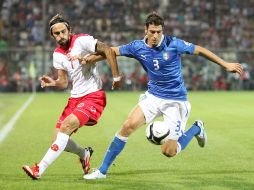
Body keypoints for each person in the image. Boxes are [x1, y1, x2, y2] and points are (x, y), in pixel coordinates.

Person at [82, 12, 243, 179]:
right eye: (152, 31)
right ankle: (102, 171)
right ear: (146, 30)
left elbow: (200, 50)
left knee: (169, 151)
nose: (155, 35)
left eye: (158, 31)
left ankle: (196, 128)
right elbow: (110, 51)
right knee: (127, 126)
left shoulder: (173, 44)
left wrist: (225, 64)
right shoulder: (137, 47)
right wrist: (89, 59)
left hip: (175, 101)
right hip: (153, 96)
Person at [22, 14, 121, 180]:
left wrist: (116, 77)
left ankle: (39, 169)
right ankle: (84, 153)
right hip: (74, 99)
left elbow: (107, 50)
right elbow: (63, 82)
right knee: (57, 139)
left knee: (66, 127)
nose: (61, 36)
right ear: (52, 35)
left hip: (93, 96)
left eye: (63, 31)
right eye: (57, 34)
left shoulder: (82, 41)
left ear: (69, 30)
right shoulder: (57, 55)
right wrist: (52, 82)